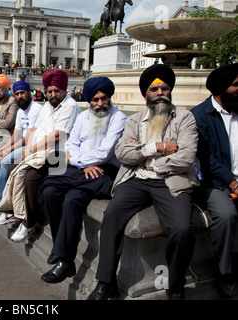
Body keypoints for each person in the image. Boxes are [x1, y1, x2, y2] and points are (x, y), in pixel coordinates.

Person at [88, 64, 199, 300]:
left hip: (171, 181)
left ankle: (176, 285)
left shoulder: (185, 118)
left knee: (181, 229)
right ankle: (105, 282)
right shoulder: (136, 120)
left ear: (170, 91)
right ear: (145, 95)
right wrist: (157, 148)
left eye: (164, 88)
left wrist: (148, 160)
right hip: (136, 180)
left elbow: (186, 158)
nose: (159, 93)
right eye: (153, 89)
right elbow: (122, 153)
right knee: (112, 214)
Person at [38, 77, 127, 284]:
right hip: (82, 169)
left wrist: (81, 162)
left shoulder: (119, 118)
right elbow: (72, 146)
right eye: (94, 99)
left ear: (109, 97)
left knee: (58, 188)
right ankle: (63, 251)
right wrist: (83, 164)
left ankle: (63, 258)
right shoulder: (83, 117)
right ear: (88, 100)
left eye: (103, 98)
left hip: (104, 171)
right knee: (51, 193)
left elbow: (105, 152)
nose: (99, 103)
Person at [0, 69, 81, 242]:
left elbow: (58, 135)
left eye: (56, 91)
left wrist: (32, 149)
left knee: (30, 178)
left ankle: (29, 224)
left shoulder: (70, 106)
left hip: (59, 155)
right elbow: (34, 129)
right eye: (49, 91)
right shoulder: (47, 107)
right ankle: (14, 213)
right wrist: (28, 148)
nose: (52, 94)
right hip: (40, 152)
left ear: (64, 90)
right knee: (12, 167)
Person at [190, 63, 238, 299]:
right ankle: (225, 273)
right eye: (236, 85)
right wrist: (233, 182)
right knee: (226, 215)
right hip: (214, 183)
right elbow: (205, 159)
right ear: (220, 89)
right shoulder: (199, 115)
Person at [0, 80, 43, 213]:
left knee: (5, 161)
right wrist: (5, 147)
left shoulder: (36, 109)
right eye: (17, 93)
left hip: (33, 146)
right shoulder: (20, 111)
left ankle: (3, 201)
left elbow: (28, 138)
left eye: (22, 93)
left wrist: (9, 149)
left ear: (29, 93)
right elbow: (17, 134)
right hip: (22, 143)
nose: (19, 96)